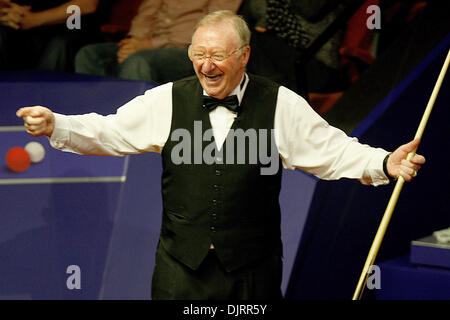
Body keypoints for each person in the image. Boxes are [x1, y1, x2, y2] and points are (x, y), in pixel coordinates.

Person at [16, 10, 425, 300]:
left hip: (251, 273)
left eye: (218, 57)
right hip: (180, 271)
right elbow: (110, 130)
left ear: (244, 56)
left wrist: (384, 162)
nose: (206, 66)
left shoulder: (280, 103)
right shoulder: (166, 100)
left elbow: (332, 150)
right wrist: (57, 124)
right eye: (198, 55)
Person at [74, 0, 242, 84]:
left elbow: (213, 26)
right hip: (149, 44)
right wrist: (133, 42)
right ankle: (99, 118)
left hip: (193, 50)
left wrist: (148, 44)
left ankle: (135, 132)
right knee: (89, 54)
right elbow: (147, 14)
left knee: (139, 61)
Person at [0, 0, 100, 72]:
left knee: (60, 45)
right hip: (18, 24)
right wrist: (5, 10)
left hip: (70, 27)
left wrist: (34, 19)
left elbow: (88, 4)